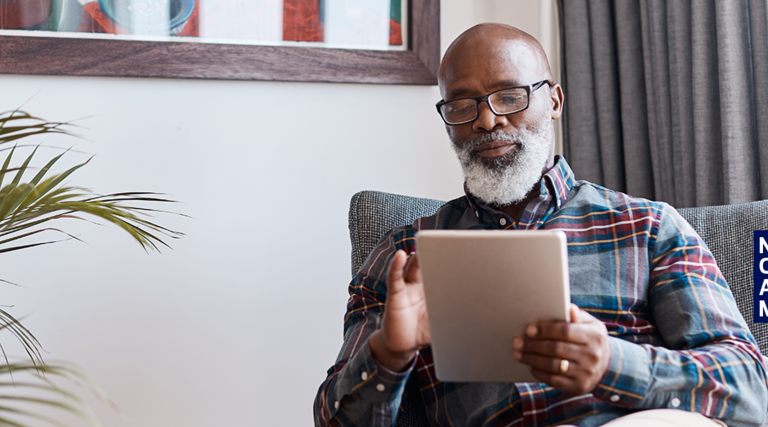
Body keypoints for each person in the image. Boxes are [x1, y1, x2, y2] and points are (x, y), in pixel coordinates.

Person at [313, 23, 768, 427]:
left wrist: (614, 363)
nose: (487, 120)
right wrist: (389, 351)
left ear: (553, 100)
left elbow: (751, 387)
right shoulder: (405, 255)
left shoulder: (647, 227)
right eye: (461, 105)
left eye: (510, 96)